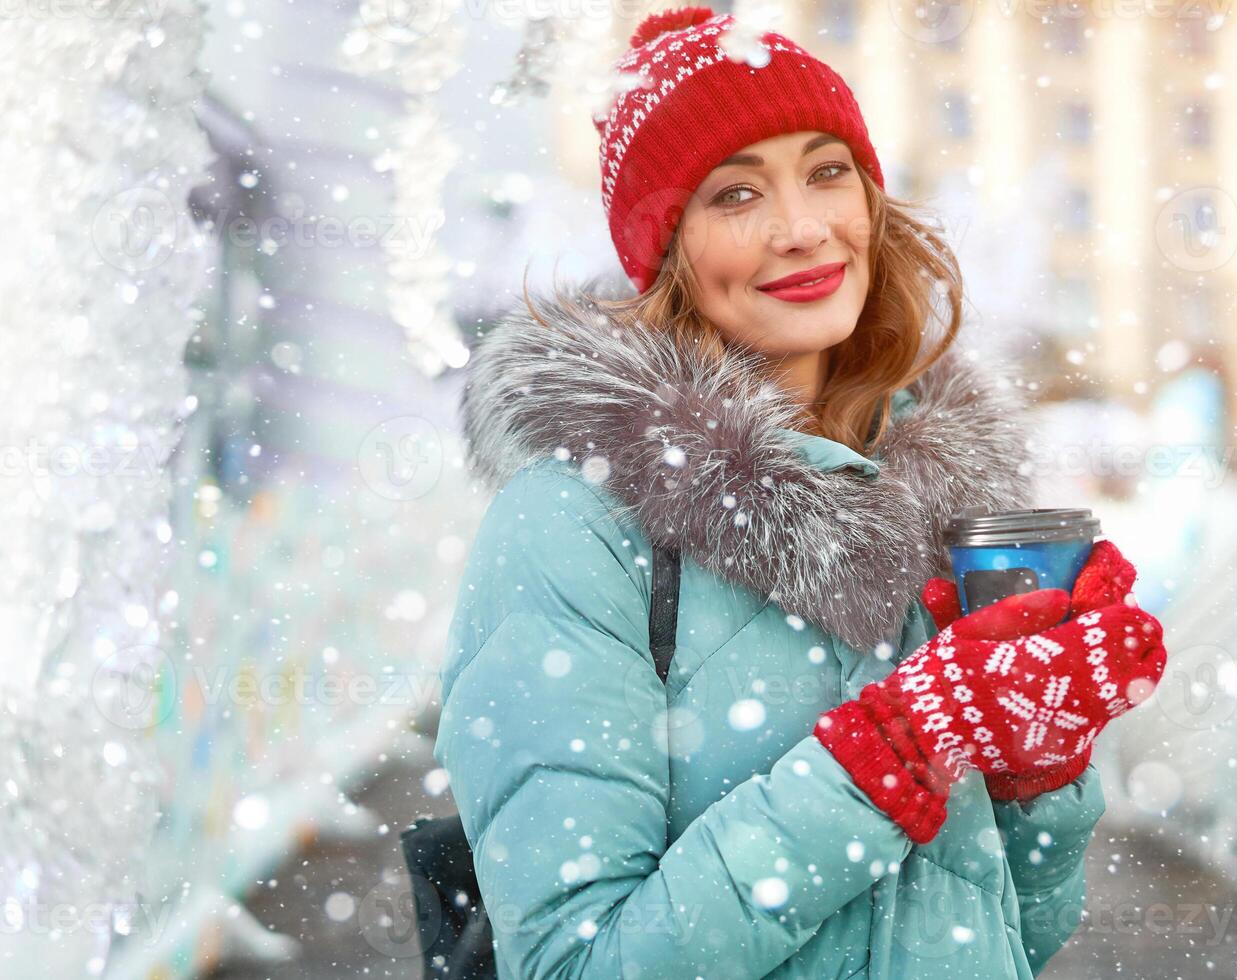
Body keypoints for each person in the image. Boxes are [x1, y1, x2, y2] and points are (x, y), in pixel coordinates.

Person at [434, 7, 1168, 977]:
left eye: (828, 171)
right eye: (735, 193)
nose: (803, 228)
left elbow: (1013, 936)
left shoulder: (943, 500)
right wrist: (891, 753)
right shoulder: (573, 526)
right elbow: (579, 962)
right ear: (667, 249)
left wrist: (1039, 769)